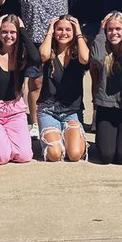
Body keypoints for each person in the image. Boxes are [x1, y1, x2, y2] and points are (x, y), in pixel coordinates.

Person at [3, 0, 88, 134]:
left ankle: (70, 115)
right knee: (37, 83)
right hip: (35, 42)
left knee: (64, 80)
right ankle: (34, 121)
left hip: (61, 43)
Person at [0, 14, 42, 164]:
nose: (8, 36)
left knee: (24, 156)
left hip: (14, 111)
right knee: (1, 157)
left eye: (13, 32)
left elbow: (36, 57)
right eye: (4, 32)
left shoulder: (22, 57)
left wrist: (23, 29)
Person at [37, 15, 90, 162]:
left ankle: (65, 136)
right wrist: (49, 30)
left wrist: (78, 31)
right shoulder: (50, 52)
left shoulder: (77, 53)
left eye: (68, 30)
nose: (63, 33)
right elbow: (42, 55)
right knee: (54, 155)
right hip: (48, 110)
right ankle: (55, 136)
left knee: (74, 154)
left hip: (71, 111)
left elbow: (85, 59)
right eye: (59, 29)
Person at [91, 11, 122, 165]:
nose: (114, 33)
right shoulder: (101, 45)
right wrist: (100, 31)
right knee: (106, 156)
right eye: (110, 29)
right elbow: (97, 59)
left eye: (118, 29)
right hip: (106, 108)